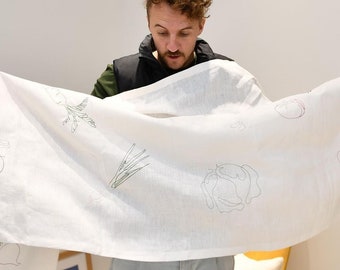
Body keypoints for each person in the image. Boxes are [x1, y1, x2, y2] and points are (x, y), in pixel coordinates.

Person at [92, 0, 235, 269]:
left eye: (184, 33)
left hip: (209, 240)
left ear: (201, 25)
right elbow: (82, 139)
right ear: (148, 24)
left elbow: (256, 145)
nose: (172, 45)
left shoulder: (225, 78)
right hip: (140, 241)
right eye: (161, 32)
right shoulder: (121, 78)